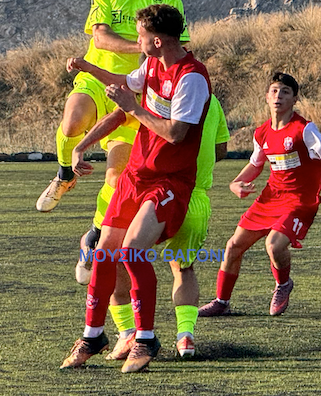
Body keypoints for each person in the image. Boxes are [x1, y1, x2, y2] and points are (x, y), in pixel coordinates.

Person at [58, 4, 210, 373]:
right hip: (135, 176)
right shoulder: (153, 64)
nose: (135, 42)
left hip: (169, 182)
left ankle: (145, 339)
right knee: (104, 253)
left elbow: (175, 134)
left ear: (156, 41)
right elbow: (123, 88)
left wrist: (134, 108)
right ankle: (93, 336)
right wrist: (86, 68)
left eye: (140, 37)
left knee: (132, 252)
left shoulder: (191, 77)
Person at [35, 0, 187, 260]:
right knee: (73, 123)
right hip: (97, 77)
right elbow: (100, 37)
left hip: (136, 94)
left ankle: (94, 234)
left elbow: (180, 48)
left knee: (118, 179)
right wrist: (146, 46)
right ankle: (63, 175)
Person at [66, 95, 229, 361]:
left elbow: (121, 119)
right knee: (181, 267)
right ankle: (184, 335)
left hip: (158, 190)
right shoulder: (210, 100)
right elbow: (221, 148)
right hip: (195, 195)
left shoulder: (150, 97)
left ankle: (130, 332)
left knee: (118, 254)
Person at [199, 72, 321, 318]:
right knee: (233, 246)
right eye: (275, 91)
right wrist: (237, 182)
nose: (279, 96)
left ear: (295, 99)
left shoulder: (304, 129)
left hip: (299, 201)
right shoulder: (262, 133)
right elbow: (256, 164)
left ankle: (283, 284)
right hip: (270, 198)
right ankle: (222, 301)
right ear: (267, 96)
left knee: (274, 246)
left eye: (285, 92)